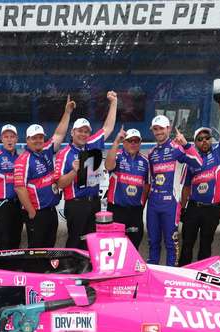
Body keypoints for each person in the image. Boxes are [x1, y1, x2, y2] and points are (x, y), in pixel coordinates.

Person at [56, 92, 118, 249]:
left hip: (94, 203)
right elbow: (60, 184)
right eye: (80, 131)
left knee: (92, 243)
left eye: (86, 131)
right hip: (76, 205)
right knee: (76, 242)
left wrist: (114, 102)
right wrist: (73, 172)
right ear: (72, 132)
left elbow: (108, 127)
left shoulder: (92, 144)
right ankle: (72, 272)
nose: (83, 134)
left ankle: (89, 272)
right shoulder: (64, 154)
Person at [14, 96, 74, 247]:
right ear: (27, 140)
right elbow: (20, 188)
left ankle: (47, 271)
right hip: (37, 213)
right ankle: (34, 271)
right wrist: (31, 212)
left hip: (51, 210)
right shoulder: (23, 160)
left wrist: (67, 112)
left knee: (49, 247)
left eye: (40, 137)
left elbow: (59, 134)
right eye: (34, 138)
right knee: (36, 249)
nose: (38, 140)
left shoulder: (46, 150)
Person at [178, 97, 220, 265]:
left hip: (212, 210)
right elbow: (186, 188)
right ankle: (183, 274)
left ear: (211, 139)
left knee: (206, 245)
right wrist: (182, 208)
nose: (204, 141)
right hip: (194, 208)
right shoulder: (191, 159)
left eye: (207, 137)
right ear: (195, 143)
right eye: (200, 139)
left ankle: (202, 277)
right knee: (187, 244)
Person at [146, 115, 202, 266]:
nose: (158, 132)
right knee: (153, 242)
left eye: (161, 129)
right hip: (153, 203)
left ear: (168, 129)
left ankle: (171, 275)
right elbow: (151, 178)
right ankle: (152, 277)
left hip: (170, 203)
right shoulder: (152, 153)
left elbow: (198, 164)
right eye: (155, 129)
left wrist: (186, 145)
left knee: (171, 244)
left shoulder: (177, 148)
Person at [104, 127, 150, 248]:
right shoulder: (117, 156)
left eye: (136, 141)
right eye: (130, 140)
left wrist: (141, 206)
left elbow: (146, 185)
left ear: (140, 143)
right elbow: (108, 166)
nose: (133, 143)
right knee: (114, 247)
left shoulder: (145, 161)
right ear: (124, 142)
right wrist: (116, 142)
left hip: (135, 211)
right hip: (117, 210)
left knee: (133, 247)